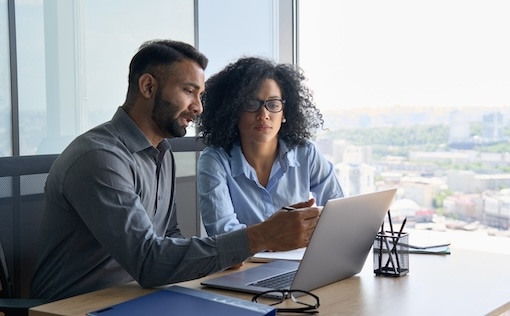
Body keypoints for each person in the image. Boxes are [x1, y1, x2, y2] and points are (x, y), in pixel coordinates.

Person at [30, 40, 320, 300]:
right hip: (76, 306)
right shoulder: (99, 157)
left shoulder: (162, 153)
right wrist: (259, 237)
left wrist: (226, 253)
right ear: (148, 87)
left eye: (200, 95)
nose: (198, 108)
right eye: (188, 91)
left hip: (140, 296)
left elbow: (169, 236)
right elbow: (148, 261)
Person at [196, 57, 343, 237]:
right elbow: (222, 234)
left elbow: (339, 211)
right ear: (233, 111)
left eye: (273, 104)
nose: (263, 114)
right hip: (245, 264)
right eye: (251, 104)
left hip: (302, 260)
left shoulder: (306, 153)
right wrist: (274, 236)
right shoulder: (214, 160)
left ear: (284, 113)